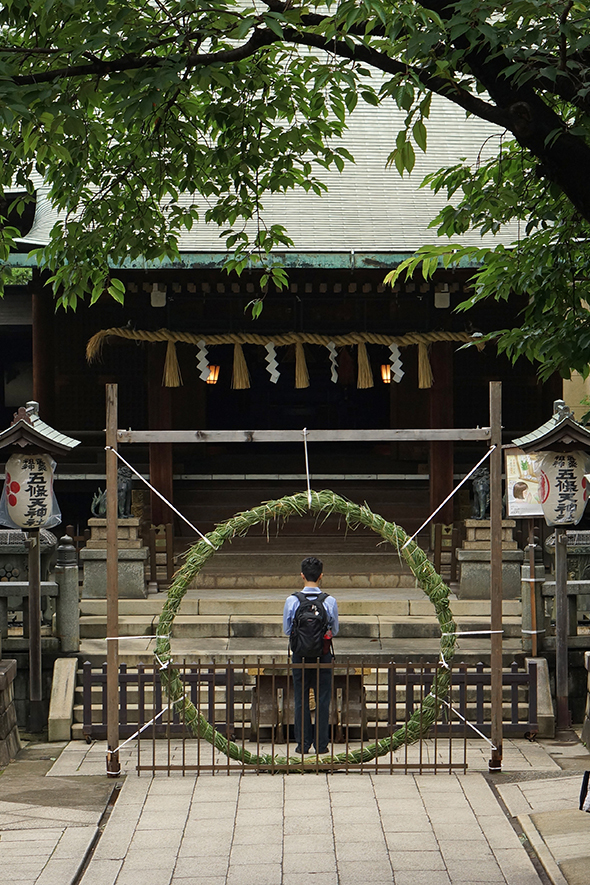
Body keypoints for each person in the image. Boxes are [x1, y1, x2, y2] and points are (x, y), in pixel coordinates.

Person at [283, 556, 339, 755]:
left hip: (300, 655)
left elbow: (287, 630)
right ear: (321, 576)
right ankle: (321, 744)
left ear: (302, 575)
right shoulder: (329, 601)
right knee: (323, 699)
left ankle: (303, 744)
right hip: (323, 654)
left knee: (301, 698)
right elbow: (335, 630)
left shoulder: (292, 600)